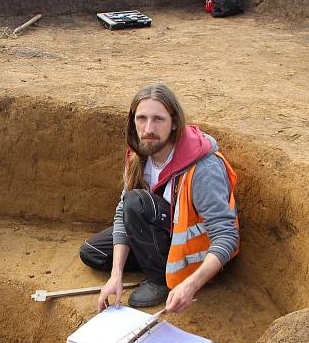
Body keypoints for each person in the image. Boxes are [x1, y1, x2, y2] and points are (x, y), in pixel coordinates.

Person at [79, 83, 239, 314]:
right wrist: (117, 275)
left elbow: (227, 235)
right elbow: (122, 213)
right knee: (93, 253)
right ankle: (154, 262)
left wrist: (191, 284)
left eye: (158, 119)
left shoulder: (203, 167)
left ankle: (159, 279)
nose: (148, 128)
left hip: (195, 254)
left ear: (174, 123)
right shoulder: (139, 154)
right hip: (163, 232)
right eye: (141, 118)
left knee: (136, 202)